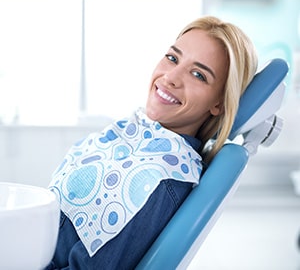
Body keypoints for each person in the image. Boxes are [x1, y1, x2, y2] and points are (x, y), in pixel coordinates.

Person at [46, 16, 258, 269]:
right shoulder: (133, 132)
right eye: (172, 58)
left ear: (219, 103)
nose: (170, 77)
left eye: (198, 74)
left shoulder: (157, 180)